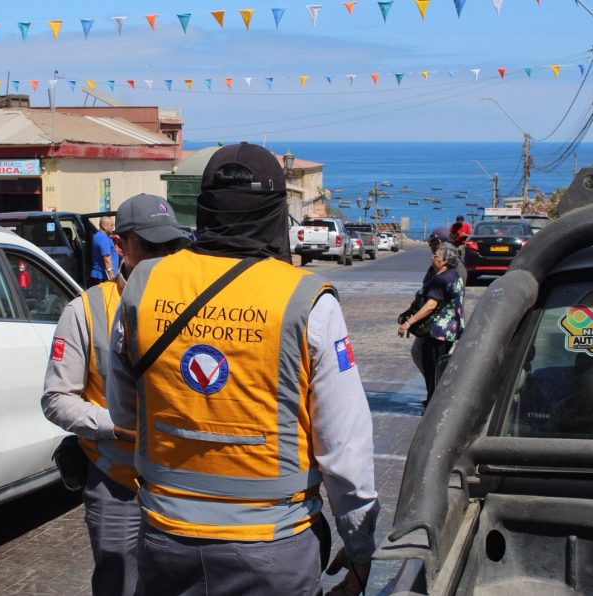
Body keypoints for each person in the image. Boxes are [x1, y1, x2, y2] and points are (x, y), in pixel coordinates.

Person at [108, 143, 378, 596]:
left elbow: (123, 412)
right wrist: (360, 545)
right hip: (272, 545)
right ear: (275, 213)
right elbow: (344, 444)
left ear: (204, 208)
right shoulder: (307, 301)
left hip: (166, 538)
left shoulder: (144, 283)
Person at [41, 194, 187, 596]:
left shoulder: (197, 308)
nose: (164, 257)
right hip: (117, 483)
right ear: (120, 245)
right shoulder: (85, 311)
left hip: (186, 484)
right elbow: (56, 398)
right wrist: (113, 426)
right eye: (151, 247)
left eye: (170, 247)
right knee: (118, 584)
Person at [398, 242, 465, 403]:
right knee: (438, 366)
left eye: (436, 256)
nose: (432, 258)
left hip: (437, 332)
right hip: (450, 329)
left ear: (446, 260)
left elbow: (430, 306)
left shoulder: (441, 279)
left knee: (433, 367)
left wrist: (408, 323)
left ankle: (434, 402)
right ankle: (434, 399)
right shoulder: (454, 275)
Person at [89, 216, 120, 288]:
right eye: (112, 225)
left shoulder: (98, 236)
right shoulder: (103, 239)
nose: (113, 227)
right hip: (103, 277)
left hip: (99, 276)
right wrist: (112, 279)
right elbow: (107, 260)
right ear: (104, 226)